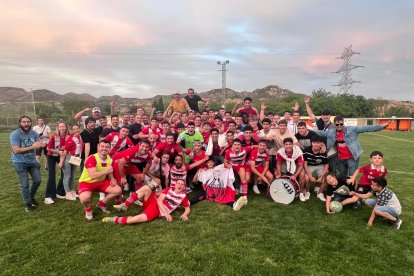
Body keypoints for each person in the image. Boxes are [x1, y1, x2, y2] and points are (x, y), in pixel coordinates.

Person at [314, 116, 392, 177]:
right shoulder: (331, 132)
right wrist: (307, 129)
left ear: (343, 123)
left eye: (341, 124)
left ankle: (353, 193)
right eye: (337, 124)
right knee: (342, 176)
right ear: (334, 124)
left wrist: (381, 126)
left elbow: (366, 128)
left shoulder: (352, 129)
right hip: (341, 158)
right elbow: (320, 132)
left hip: (352, 157)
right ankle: (344, 192)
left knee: (352, 176)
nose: (339, 126)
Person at [102, 179, 190, 225]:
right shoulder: (168, 189)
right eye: (178, 183)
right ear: (175, 184)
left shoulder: (183, 196)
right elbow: (159, 201)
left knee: (135, 219)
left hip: (156, 211)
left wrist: (185, 214)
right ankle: (125, 205)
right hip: (155, 202)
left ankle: (114, 219)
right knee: (146, 188)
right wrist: (167, 214)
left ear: (184, 187)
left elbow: (187, 208)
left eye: (182, 184)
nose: (180, 185)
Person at [78, 139, 122, 220]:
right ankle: (88, 209)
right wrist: (106, 171)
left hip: (101, 182)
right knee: (84, 198)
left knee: (118, 190)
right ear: (98, 147)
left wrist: (112, 179)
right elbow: (92, 176)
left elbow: (109, 171)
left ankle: (102, 203)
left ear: (110, 148)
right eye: (102, 146)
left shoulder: (109, 158)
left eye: (107, 147)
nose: (104, 149)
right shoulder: (92, 158)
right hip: (87, 182)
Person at [10, 116, 45, 212]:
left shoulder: (34, 133)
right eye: (24, 122)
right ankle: (28, 203)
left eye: (28, 122)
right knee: (24, 184)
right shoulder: (15, 134)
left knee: (37, 181)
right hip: (19, 162)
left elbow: (38, 144)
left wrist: (42, 145)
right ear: (20, 123)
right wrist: (32, 146)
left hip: (32, 161)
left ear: (31, 123)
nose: (26, 124)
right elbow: (16, 150)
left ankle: (30, 196)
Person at [224, 138, 254, 209]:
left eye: (238, 145)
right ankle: (243, 195)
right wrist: (228, 165)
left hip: (241, 165)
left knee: (246, 179)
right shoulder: (228, 152)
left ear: (241, 146)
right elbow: (225, 161)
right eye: (235, 145)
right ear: (232, 146)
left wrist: (265, 149)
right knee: (243, 179)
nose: (237, 146)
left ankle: (244, 195)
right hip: (233, 166)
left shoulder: (245, 149)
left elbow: (254, 146)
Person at [44, 121, 69, 204]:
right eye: (60, 126)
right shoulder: (54, 136)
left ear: (66, 127)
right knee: (52, 175)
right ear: (58, 128)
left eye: (63, 126)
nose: (62, 128)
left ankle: (59, 192)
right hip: (51, 156)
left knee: (65, 173)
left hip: (62, 156)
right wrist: (58, 151)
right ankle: (48, 196)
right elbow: (48, 148)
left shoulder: (68, 136)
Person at [303, 136, 329, 201]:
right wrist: (310, 176)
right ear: (311, 143)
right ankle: (307, 191)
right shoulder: (306, 150)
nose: (316, 145)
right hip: (309, 165)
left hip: (320, 165)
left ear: (320, 144)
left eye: (318, 143)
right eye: (314, 142)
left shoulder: (323, 151)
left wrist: (321, 177)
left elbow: (326, 165)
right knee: (306, 178)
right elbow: (305, 164)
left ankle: (320, 193)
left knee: (326, 176)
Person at [62, 124, 83, 201]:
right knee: (67, 175)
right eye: (74, 129)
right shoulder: (70, 139)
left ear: (79, 129)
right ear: (72, 130)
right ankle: (67, 192)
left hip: (76, 158)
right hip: (68, 157)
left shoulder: (80, 137)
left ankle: (72, 190)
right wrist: (61, 162)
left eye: (77, 128)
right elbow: (65, 151)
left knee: (72, 175)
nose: (76, 130)